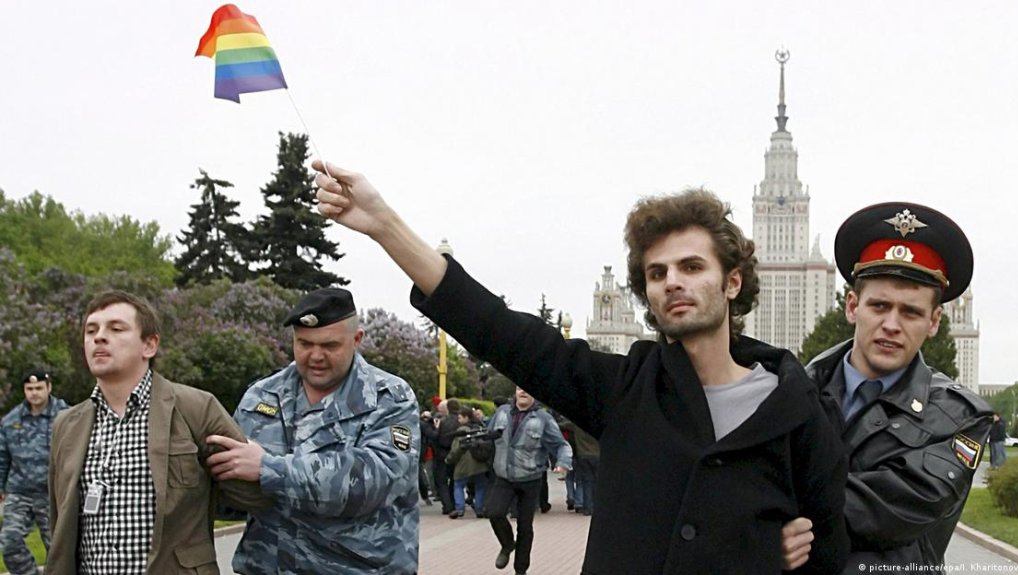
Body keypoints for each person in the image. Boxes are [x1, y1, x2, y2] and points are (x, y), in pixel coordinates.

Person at [312, 161, 849, 574]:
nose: (672, 281)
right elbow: (497, 328)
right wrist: (384, 225)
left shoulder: (795, 408)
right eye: (657, 272)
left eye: (691, 266)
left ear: (732, 282)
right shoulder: (624, 388)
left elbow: (825, 550)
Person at [783, 202, 994, 574]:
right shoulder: (790, 391)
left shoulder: (960, 417)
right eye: (879, 306)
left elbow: (890, 511)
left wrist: (773, 511)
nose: (892, 324)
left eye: (911, 312)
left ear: (933, 322)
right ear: (852, 307)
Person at [47, 290, 268, 574]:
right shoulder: (66, 425)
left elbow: (253, 497)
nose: (99, 337)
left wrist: (263, 466)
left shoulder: (196, 408)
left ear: (149, 345)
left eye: (116, 329)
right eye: (91, 330)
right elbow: (59, 520)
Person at [206, 287, 420, 575]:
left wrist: (269, 468)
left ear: (357, 340)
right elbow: (234, 482)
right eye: (304, 343)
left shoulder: (390, 398)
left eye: (329, 346)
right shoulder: (262, 396)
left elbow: (373, 481)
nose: (315, 356)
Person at [485, 387, 571, 574]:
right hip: (504, 475)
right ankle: (507, 545)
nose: (523, 391)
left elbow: (561, 445)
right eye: (519, 387)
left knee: (525, 526)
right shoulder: (502, 412)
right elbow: (488, 434)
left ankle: (520, 570)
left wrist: (563, 462)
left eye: (527, 388)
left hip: (530, 478)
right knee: (494, 512)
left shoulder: (543, 418)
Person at [0, 371, 68, 574]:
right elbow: (2, 456)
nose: (34, 393)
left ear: (49, 388)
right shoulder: (11, 421)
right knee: (9, 542)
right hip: (20, 492)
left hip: (53, 493)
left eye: (39, 388)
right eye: (29, 389)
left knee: (58, 549)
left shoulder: (66, 416)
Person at [445, 406, 490, 519]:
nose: (458, 420)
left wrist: (449, 460)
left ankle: (460, 509)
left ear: (466, 417)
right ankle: (479, 509)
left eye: (460, 418)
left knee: (458, 485)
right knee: (480, 486)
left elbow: (456, 450)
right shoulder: (479, 428)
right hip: (480, 463)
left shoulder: (461, 432)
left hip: (463, 464)